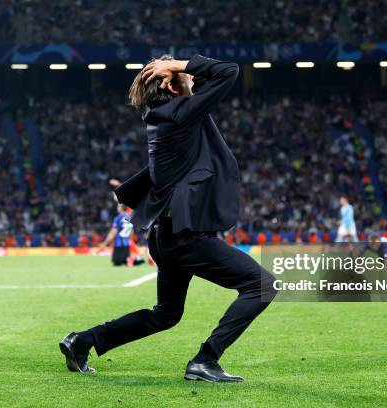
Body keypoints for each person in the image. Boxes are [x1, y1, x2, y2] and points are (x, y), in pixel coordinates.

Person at [60, 54, 277, 382]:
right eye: (178, 75)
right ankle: (206, 359)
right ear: (169, 83)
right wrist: (179, 64)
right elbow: (228, 71)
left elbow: (203, 85)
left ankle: (83, 340)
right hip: (186, 239)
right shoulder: (181, 115)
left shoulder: (164, 116)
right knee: (261, 284)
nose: (188, 78)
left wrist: (180, 73)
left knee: (166, 315)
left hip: (169, 236)